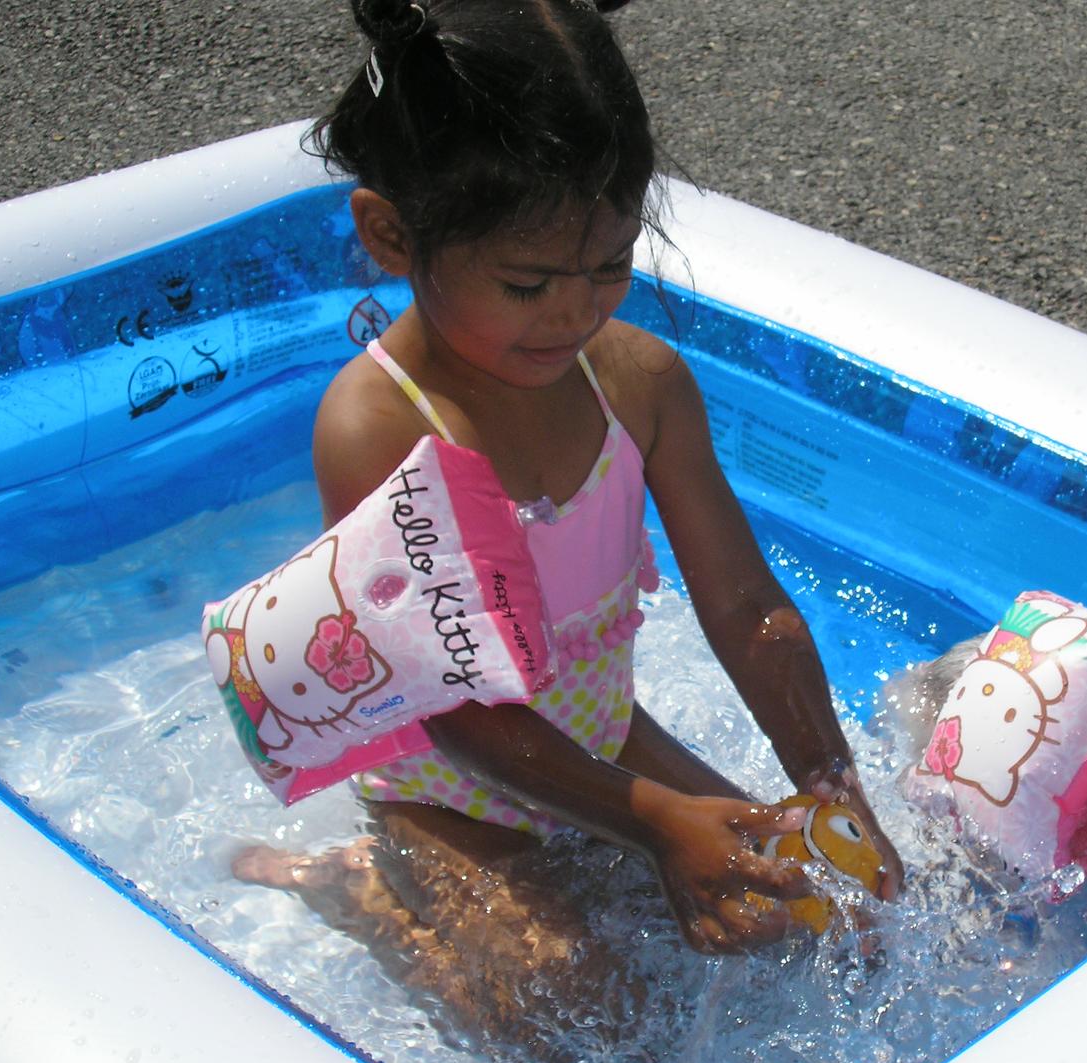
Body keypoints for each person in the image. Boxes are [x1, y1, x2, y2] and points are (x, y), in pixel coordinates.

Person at [238, 0, 902, 956]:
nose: (574, 313)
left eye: (609, 266)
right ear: (391, 236)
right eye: (527, 284)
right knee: (580, 1007)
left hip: (603, 740)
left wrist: (829, 783)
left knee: (813, 917)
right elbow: (455, 706)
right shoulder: (378, 428)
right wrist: (656, 823)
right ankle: (357, 887)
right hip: (449, 786)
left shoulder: (638, 383)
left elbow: (748, 608)